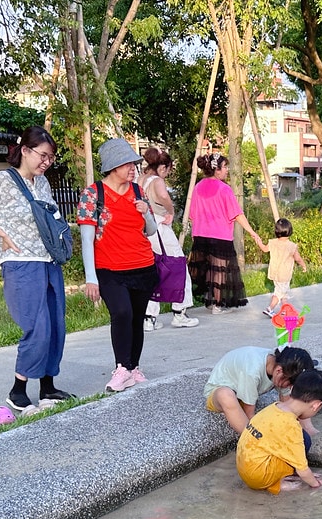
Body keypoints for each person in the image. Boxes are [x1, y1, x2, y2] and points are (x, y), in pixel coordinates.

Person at [0, 125, 74, 411]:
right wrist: (2, 234)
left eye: (50, 158)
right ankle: (18, 390)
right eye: (42, 155)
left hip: (49, 260)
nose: (46, 162)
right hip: (21, 262)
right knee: (37, 326)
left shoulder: (43, 183)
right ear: (25, 150)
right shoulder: (3, 180)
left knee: (55, 325)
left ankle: (47, 388)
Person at [77, 138, 159, 393]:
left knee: (136, 318)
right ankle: (121, 367)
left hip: (143, 265)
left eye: (134, 164)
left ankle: (134, 368)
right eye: (127, 164)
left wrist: (146, 212)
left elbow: (151, 231)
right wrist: (91, 278)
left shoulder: (138, 191)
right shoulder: (93, 194)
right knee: (121, 313)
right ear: (113, 167)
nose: (133, 169)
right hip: (109, 269)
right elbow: (86, 239)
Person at [187, 152, 265, 314]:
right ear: (216, 170)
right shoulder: (224, 189)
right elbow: (237, 214)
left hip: (200, 235)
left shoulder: (198, 187)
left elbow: (192, 215)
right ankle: (217, 304)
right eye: (224, 167)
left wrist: (194, 234)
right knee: (219, 271)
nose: (227, 170)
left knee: (208, 269)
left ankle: (210, 301)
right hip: (219, 236)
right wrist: (252, 232)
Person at [236, 369, 322, 493]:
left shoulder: (275, 406)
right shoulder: (290, 426)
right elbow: (302, 469)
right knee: (301, 444)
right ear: (316, 405)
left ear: (292, 389)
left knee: (304, 438)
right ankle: (276, 482)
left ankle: (279, 474)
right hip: (257, 477)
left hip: (244, 467)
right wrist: (315, 483)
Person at [139, 148, 199, 331]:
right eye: (168, 170)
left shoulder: (140, 179)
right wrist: (171, 211)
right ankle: (180, 312)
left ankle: (149, 317)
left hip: (144, 227)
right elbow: (163, 195)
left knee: (153, 269)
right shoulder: (157, 181)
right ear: (163, 167)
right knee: (178, 266)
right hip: (160, 227)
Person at [204, 345, 317, 437]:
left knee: (295, 401)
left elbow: (288, 404)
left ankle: (309, 429)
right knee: (226, 395)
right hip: (220, 392)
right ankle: (250, 438)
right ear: (279, 371)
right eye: (289, 384)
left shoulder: (280, 364)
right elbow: (249, 414)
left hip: (243, 391)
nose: (289, 387)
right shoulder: (252, 371)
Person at [261, 217, 307, 317]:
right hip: (284, 275)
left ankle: (284, 310)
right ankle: (270, 308)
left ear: (276, 231)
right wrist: (303, 265)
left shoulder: (272, 242)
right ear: (290, 231)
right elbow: (298, 258)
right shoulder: (291, 246)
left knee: (284, 293)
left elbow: (264, 249)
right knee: (279, 293)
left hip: (275, 273)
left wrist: (259, 242)